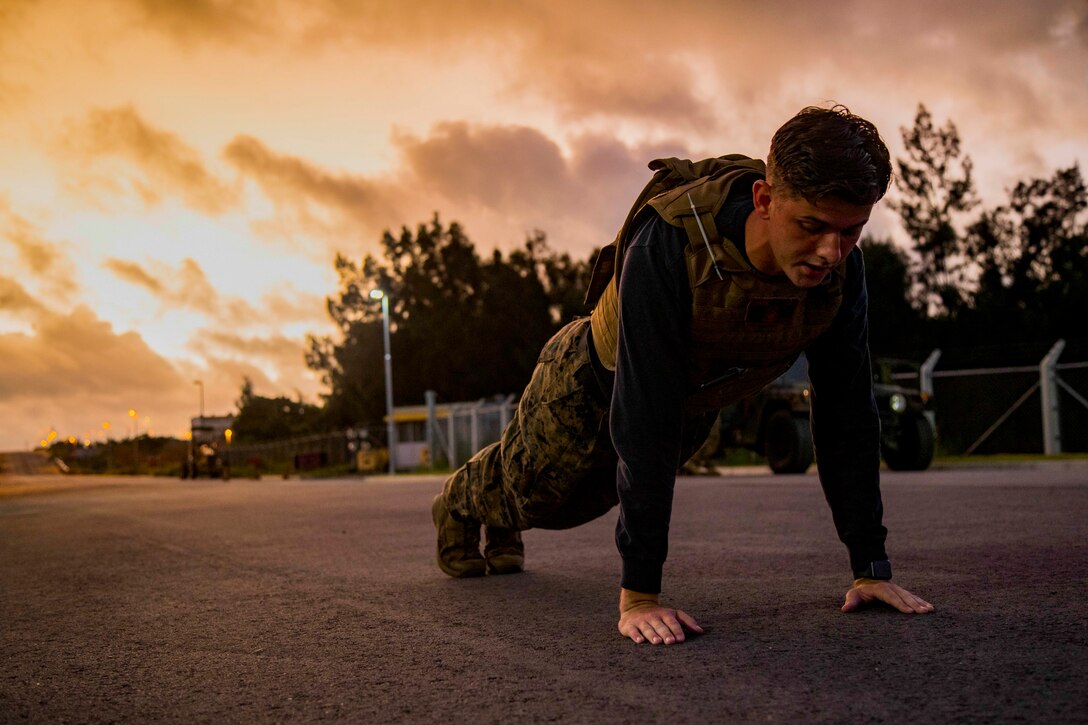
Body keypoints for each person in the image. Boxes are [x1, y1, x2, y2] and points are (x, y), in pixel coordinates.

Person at [432, 105, 935, 645]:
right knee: (537, 495)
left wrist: (870, 567)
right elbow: (644, 416)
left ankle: (505, 519)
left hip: (691, 400)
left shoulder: (840, 274)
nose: (830, 252)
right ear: (765, 200)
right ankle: (459, 500)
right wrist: (640, 597)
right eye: (811, 226)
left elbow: (847, 413)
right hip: (586, 382)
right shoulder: (670, 239)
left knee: (590, 502)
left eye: (851, 230)